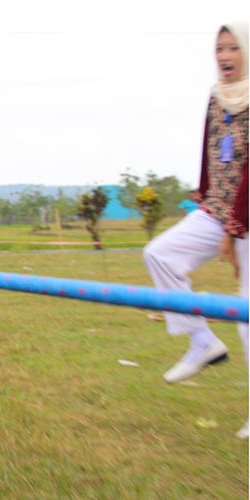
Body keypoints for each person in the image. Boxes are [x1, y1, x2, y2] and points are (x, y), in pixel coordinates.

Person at [143, 22, 248, 439]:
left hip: (246, 213)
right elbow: (211, 151)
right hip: (218, 210)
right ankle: (202, 341)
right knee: (159, 253)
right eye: (219, 48)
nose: (224, 56)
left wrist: (235, 227)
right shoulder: (216, 95)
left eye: (233, 48)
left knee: (246, 313)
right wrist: (205, 196)